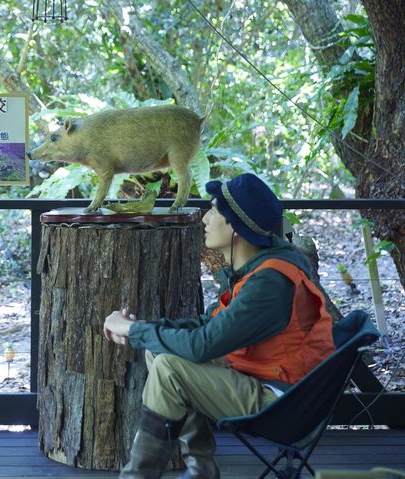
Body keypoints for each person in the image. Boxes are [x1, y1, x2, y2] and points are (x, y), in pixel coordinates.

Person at [103, 173, 336, 479]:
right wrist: (145, 328)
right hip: (272, 384)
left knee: (169, 368)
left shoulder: (269, 284)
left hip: (284, 404)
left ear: (235, 228)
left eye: (214, 212)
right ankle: (201, 469)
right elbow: (208, 323)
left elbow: (202, 345)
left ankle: (139, 476)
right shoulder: (259, 267)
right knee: (159, 354)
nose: (205, 220)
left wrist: (133, 332)